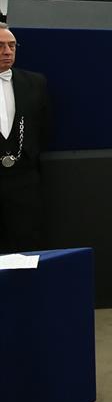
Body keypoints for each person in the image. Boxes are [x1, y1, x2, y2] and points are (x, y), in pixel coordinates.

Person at [0, 24, 51, 255]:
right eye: (0, 46)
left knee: (26, 248)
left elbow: (44, 126)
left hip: (24, 181)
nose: (7, 51)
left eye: (11, 45)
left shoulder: (35, 83)